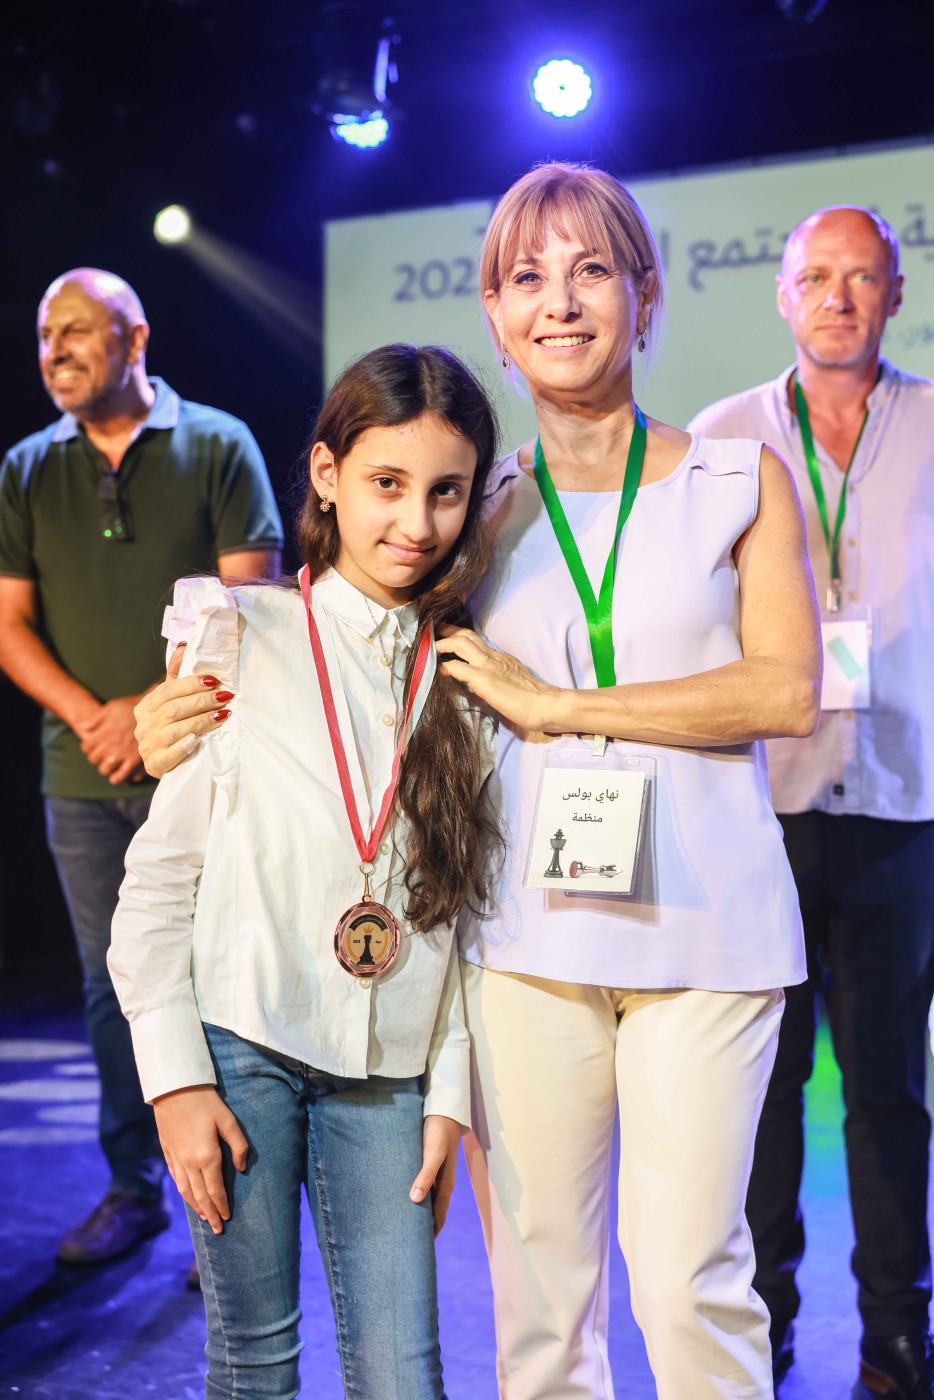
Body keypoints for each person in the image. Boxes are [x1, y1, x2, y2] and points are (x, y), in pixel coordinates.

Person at [132, 164, 821, 1399]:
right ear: (495, 316)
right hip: (527, 942)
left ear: (645, 293)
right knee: (540, 1303)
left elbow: (784, 690)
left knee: (687, 1279)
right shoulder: (476, 516)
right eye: (526, 277)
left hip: (708, 930)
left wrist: (561, 706)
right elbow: (342, 650)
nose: (561, 301)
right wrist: (173, 701)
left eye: (592, 269)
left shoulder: (737, 476)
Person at [107, 343, 500, 1399]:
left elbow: (466, 914)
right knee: (255, 1365)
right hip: (243, 1046)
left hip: (394, 1067)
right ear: (326, 474)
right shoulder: (238, 632)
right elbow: (156, 889)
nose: (416, 522)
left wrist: (449, 1093)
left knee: (403, 1378)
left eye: (446, 491)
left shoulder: (467, 671)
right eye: (386, 483)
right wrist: (175, 1080)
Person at [689, 207, 934, 1399]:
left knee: (888, 1090)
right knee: (762, 1086)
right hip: (762, 804)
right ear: (782, 294)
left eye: (861, 278)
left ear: (894, 293)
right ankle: (762, 1325)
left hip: (905, 804)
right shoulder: (721, 436)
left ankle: (896, 1337)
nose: (838, 297)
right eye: (816, 278)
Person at [0, 267, 283, 1266]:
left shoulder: (219, 443)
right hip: (80, 774)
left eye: (78, 329)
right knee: (104, 984)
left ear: (136, 338)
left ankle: (230, 1192)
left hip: (201, 765)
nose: (56, 350)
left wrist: (145, 711)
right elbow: (9, 623)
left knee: (215, 974)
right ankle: (134, 1186)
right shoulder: (26, 467)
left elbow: (250, 606)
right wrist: (96, 718)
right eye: (46, 335)